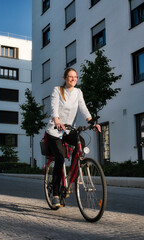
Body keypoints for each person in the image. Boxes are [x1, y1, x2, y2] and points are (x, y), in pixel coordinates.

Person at [45, 68, 101, 207]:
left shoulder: (78, 92)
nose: (73, 79)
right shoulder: (57, 90)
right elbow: (54, 108)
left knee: (80, 143)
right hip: (55, 131)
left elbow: (83, 108)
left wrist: (91, 123)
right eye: (70, 77)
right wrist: (57, 121)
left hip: (69, 130)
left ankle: (71, 176)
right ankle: (56, 194)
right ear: (65, 78)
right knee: (59, 157)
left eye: (75, 77)